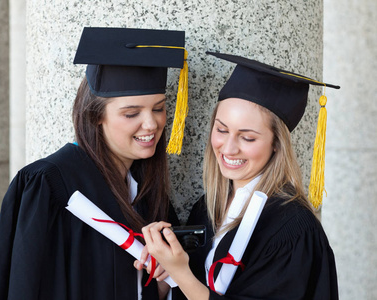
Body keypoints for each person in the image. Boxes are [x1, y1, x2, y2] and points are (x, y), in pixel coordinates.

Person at [0, 27, 189, 300]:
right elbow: (23, 288)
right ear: (95, 116)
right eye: (131, 113)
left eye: (158, 108)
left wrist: (161, 282)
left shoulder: (147, 193)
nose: (152, 124)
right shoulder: (47, 187)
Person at [136, 53, 340, 299]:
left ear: (277, 144)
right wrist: (164, 274)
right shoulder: (208, 207)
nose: (229, 148)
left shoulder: (293, 229)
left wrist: (182, 274)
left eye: (247, 137)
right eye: (222, 130)